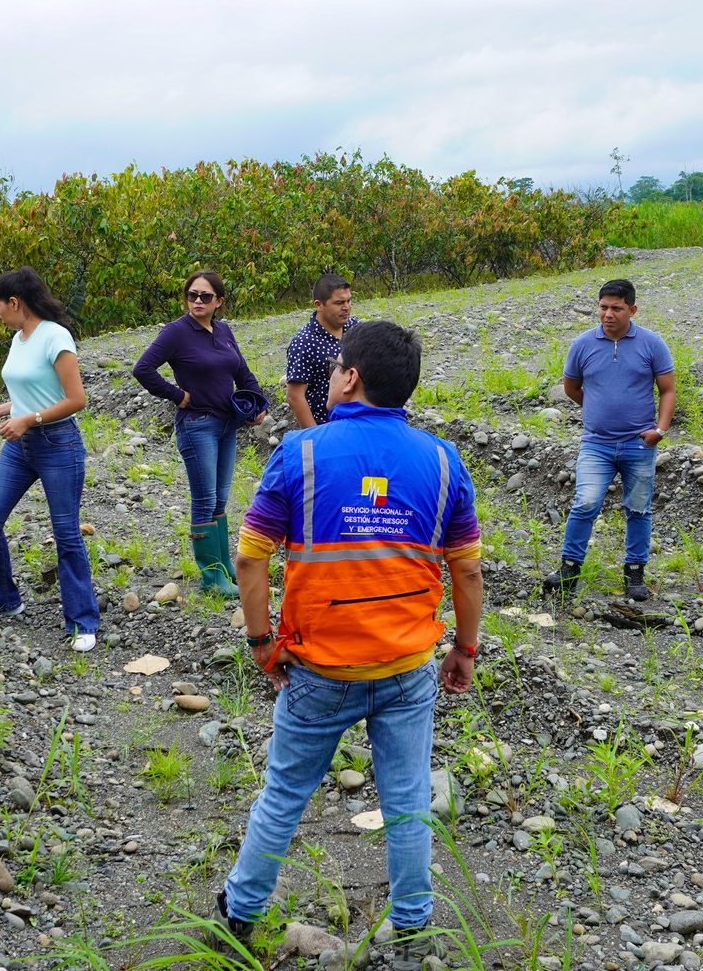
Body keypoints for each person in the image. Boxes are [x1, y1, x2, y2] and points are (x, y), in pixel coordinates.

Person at [215, 320, 482, 951]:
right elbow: (466, 568)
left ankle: (239, 915)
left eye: (334, 367)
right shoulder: (443, 462)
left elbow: (251, 557)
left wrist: (261, 643)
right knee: (409, 800)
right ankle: (412, 925)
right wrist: (464, 650)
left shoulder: (300, 452)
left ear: (351, 377)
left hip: (319, 669)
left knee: (283, 793)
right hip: (407, 666)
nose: (329, 375)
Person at [0, 267, 100, 652]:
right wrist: (4, 409)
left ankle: (82, 621)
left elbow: (76, 400)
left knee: (67, 534)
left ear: (15, 302)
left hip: (58, 444)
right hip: (20, 446)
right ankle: (0, 599)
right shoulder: (19, 338)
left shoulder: (55, 337)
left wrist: (28, 419)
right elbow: (33, 391)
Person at [132, 270, 268, 598]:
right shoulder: (176, 333)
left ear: (219, 301)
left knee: (220, 498)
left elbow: (242, 372)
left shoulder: (223, 331)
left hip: (227, 424)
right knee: (205, 499)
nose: (197, 301)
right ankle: (211, 577)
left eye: (205, 296)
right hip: (197, 425)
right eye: (192, 295)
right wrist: (177, 395)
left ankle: (224, 568)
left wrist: (258, 404)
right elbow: (143, 369)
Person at [543, 278, 675, 602]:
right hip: (596, 443)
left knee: (639, 508)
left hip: (638, 444)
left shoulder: (651, 344)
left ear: (632, 309)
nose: (608, 314)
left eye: (616, 308)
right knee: (585, 502)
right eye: (603, 307)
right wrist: (597, 408)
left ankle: (635, 573)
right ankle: (569, 569)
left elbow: (667, 389)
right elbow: (571, 387)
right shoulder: (583, 344)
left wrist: (660, 429)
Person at [284, 273, 357, 428]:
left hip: (357, 427)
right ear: (319, 305)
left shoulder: (356, 329)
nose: (346, 307)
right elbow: (294, 396)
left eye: (349, 301)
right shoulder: (304, 342)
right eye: (339, 303)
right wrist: (316, 437)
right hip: (325, 428)